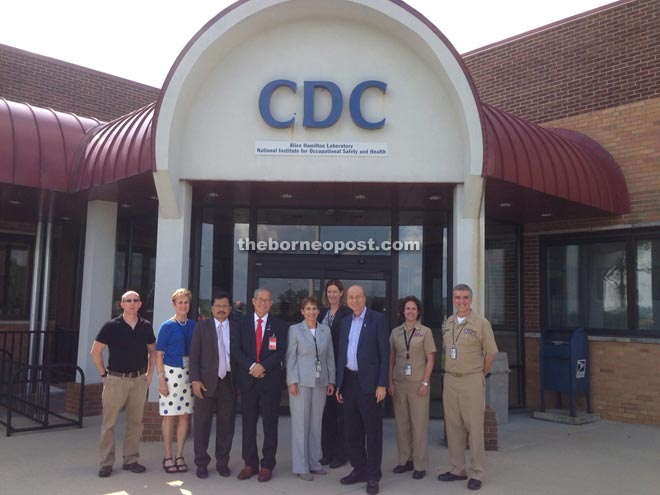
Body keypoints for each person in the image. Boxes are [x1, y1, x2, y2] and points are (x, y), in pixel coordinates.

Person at [438, 284, 498, 491]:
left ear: (471, 300)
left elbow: (490, 353)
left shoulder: (481, 324)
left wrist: (479, 373)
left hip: (472, 379)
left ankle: (477, 473)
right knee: (454, 427)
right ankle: (457, 469)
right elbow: (447, 350)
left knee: (474, 427)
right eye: (457, 297)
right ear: (453, 300)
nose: (461, 301)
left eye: (465, 297)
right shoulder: (448, 323)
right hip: (451, 379)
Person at [90, 290, 156, 478]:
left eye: (136, 300)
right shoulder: (111, 326)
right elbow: (95, 351)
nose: (132, 304)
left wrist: (149, 374)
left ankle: (131, 460)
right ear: (122, 304)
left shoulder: (145, 326)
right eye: (128, 301)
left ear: (140, 304)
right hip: (116, 380)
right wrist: (103, 374)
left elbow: (153, 350)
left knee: (135, 423)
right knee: (109, 423)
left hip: (138, 380)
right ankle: (106, 463)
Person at [336, 285, 389, 495]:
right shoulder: (345, 322)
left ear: (364, 298)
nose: (355, 300)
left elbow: (385, 355)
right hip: (349, 382)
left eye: (358, 297)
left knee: (372, 432)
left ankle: (373, 476)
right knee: (351, 430)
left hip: (370, 385)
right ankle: (359, 469)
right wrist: (339, 383)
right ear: (347, 300)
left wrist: (382, 383)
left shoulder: (377, 320)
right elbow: (342, 354)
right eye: (351, 297)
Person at [231, 288, 287, 482]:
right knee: (248, 424)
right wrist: (252, 366)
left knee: (270, 424)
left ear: (271, 303)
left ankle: (267, 465)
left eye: (267, 300)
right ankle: (250, 463)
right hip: (248, 381)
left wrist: (263, 366)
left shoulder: (279, 325)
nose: (263, 303)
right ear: (253, 301)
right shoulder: (241, 323)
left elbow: (280, 351)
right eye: (260, 300)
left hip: (270, 380)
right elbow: (236, 350)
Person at [286, 296, 336, 481]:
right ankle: (301, 466)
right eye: (308, 308)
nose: (312, 312)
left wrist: (331, 380)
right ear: (302, 311)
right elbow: (290, 356)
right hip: (300, 383)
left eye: (314, 308)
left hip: (320, 382)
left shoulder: (325, 330)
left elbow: (330, 356)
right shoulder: (295, 330)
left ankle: (315, 463)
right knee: (301, 425)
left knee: (316, 424)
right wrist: (291, 381)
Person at [189, 292, 237, 479]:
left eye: (225, 306)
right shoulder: (202, 327)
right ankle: (201, 463)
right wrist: (195, 380)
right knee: (202, 424)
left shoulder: (236, 327)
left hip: (229, 383)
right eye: (218, 305)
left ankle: (222, 463)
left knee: (226, 425)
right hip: (205, 383)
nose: (221, 309)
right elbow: (194, 356)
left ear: (230, 309)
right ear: (212, 308)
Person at [388, 296, 436, 480]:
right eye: (407, 309)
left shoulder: (425, 332)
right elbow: (391, 358)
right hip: (399, 383)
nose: (410, 312)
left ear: (418, 311)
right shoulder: (395, 333)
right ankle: (405, 460)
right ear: (403, 311)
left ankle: (420, 464)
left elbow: (430, 359)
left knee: (419, 425)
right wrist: (390, 382)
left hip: (418, 384)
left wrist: (425, 382)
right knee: (402, 425)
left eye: (413, 309)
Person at [155, 288, 196, 474]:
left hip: (188, 375)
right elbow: (158, 354)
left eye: (186, 302)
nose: (183, 305)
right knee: (169, 416)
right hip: (171, 374)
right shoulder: (167, 326)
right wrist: (161, 379)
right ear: (174, 304)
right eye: (180, 302)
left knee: (185, 415)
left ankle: (180, 454)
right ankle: (167, 455)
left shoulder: (194, 325)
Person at [317, 279, 352, 468]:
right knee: (326, 415)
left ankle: (341, 454)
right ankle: (327, 453)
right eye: (329, 292)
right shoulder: (321, 313)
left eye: (335, 292)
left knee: (341, 416)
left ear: (341, 293)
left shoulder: (347, 314)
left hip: (340, 370)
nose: (332, 295)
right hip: (323, 372)